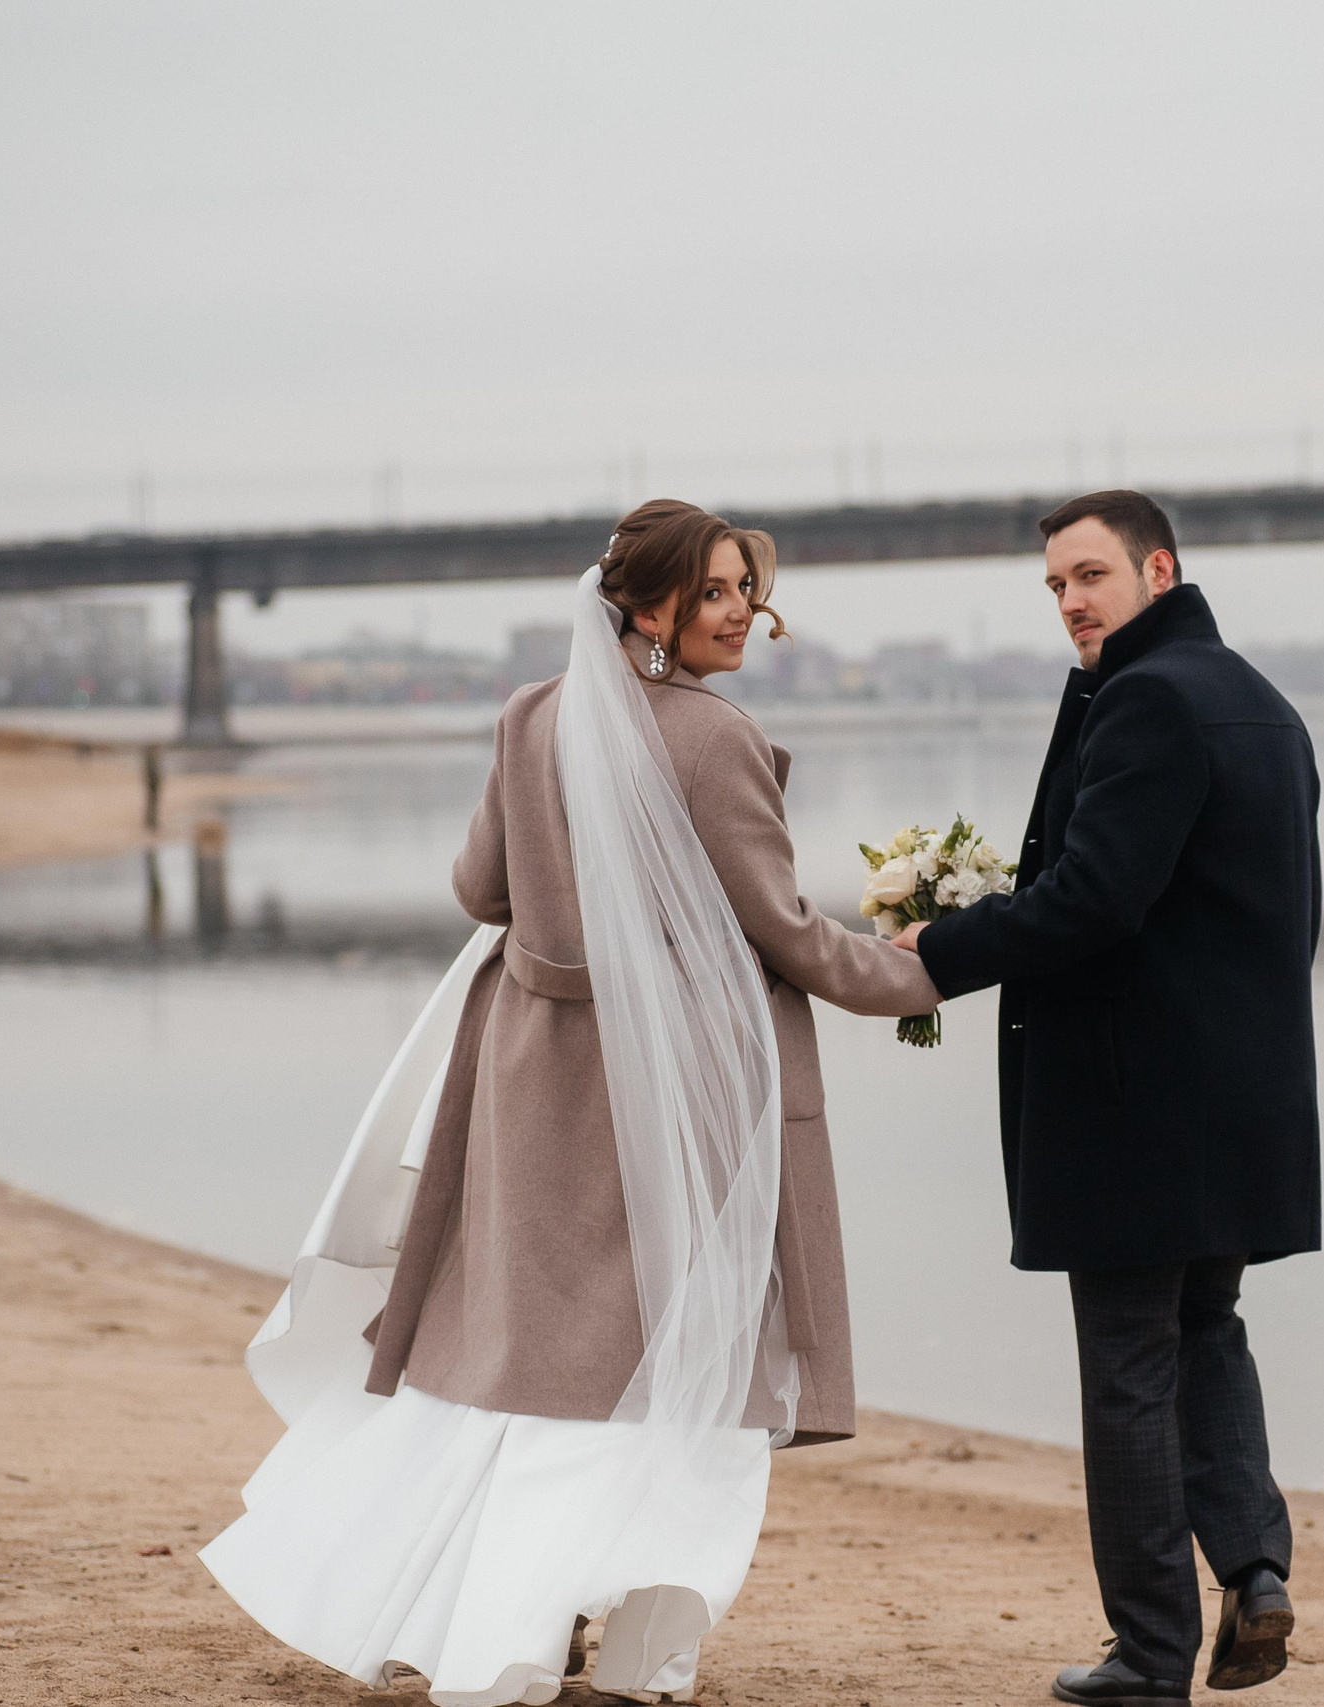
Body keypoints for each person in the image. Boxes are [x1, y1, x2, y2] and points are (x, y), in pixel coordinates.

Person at [201, 499, 941, 1707]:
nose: (741, 612)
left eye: (745, 589)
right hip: (678, 1093)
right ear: (643, 606)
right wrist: (925, 968)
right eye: (713, 591)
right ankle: (641, 1655)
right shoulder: (716, 739)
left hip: (532, 1079)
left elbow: (478, 888)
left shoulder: (530, 716)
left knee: (528, 1357)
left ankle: (507, 1629)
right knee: (694, 1352)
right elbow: (786, 933)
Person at [895, 490, 1323, 1705]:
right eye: (1055, 586)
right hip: (1240, 1094)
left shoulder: (1147, 699)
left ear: (1157, 569)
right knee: (1205, 1329)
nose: (1071, 602)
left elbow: (1094, 897)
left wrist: (939, 946)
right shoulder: (1259, 701)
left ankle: (1148, 1654)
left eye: (1089, 575)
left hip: (1137, 1101)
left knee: (1129, 1364)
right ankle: (1254, 1571)